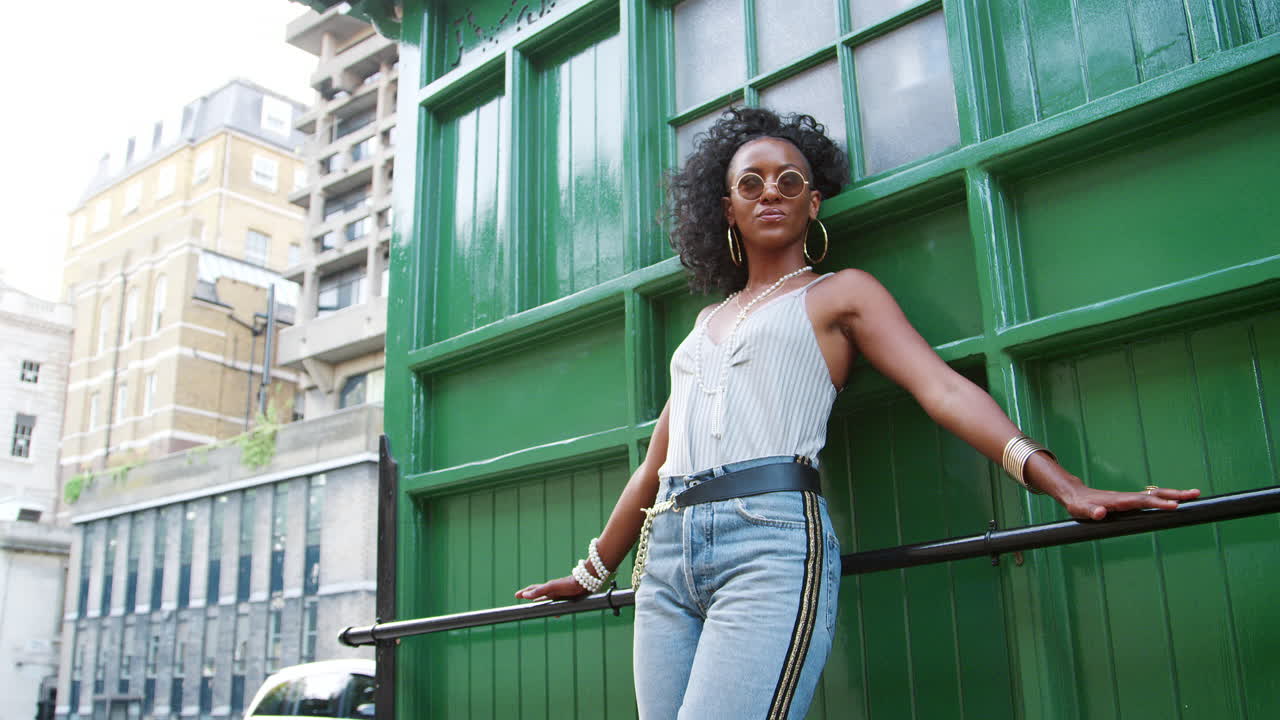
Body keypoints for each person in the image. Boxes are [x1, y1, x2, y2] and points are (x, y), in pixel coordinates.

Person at [514, 107, 1199, 719]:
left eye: (789, 181)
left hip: (767, 542)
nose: (770, 192)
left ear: (813, 202)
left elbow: (943, 390)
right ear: (726, 208)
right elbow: (655, 467)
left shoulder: (841, 294)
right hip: (666, 559)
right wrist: (590, 573)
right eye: (751, 183)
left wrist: (1063, 484)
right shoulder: (702, 327)